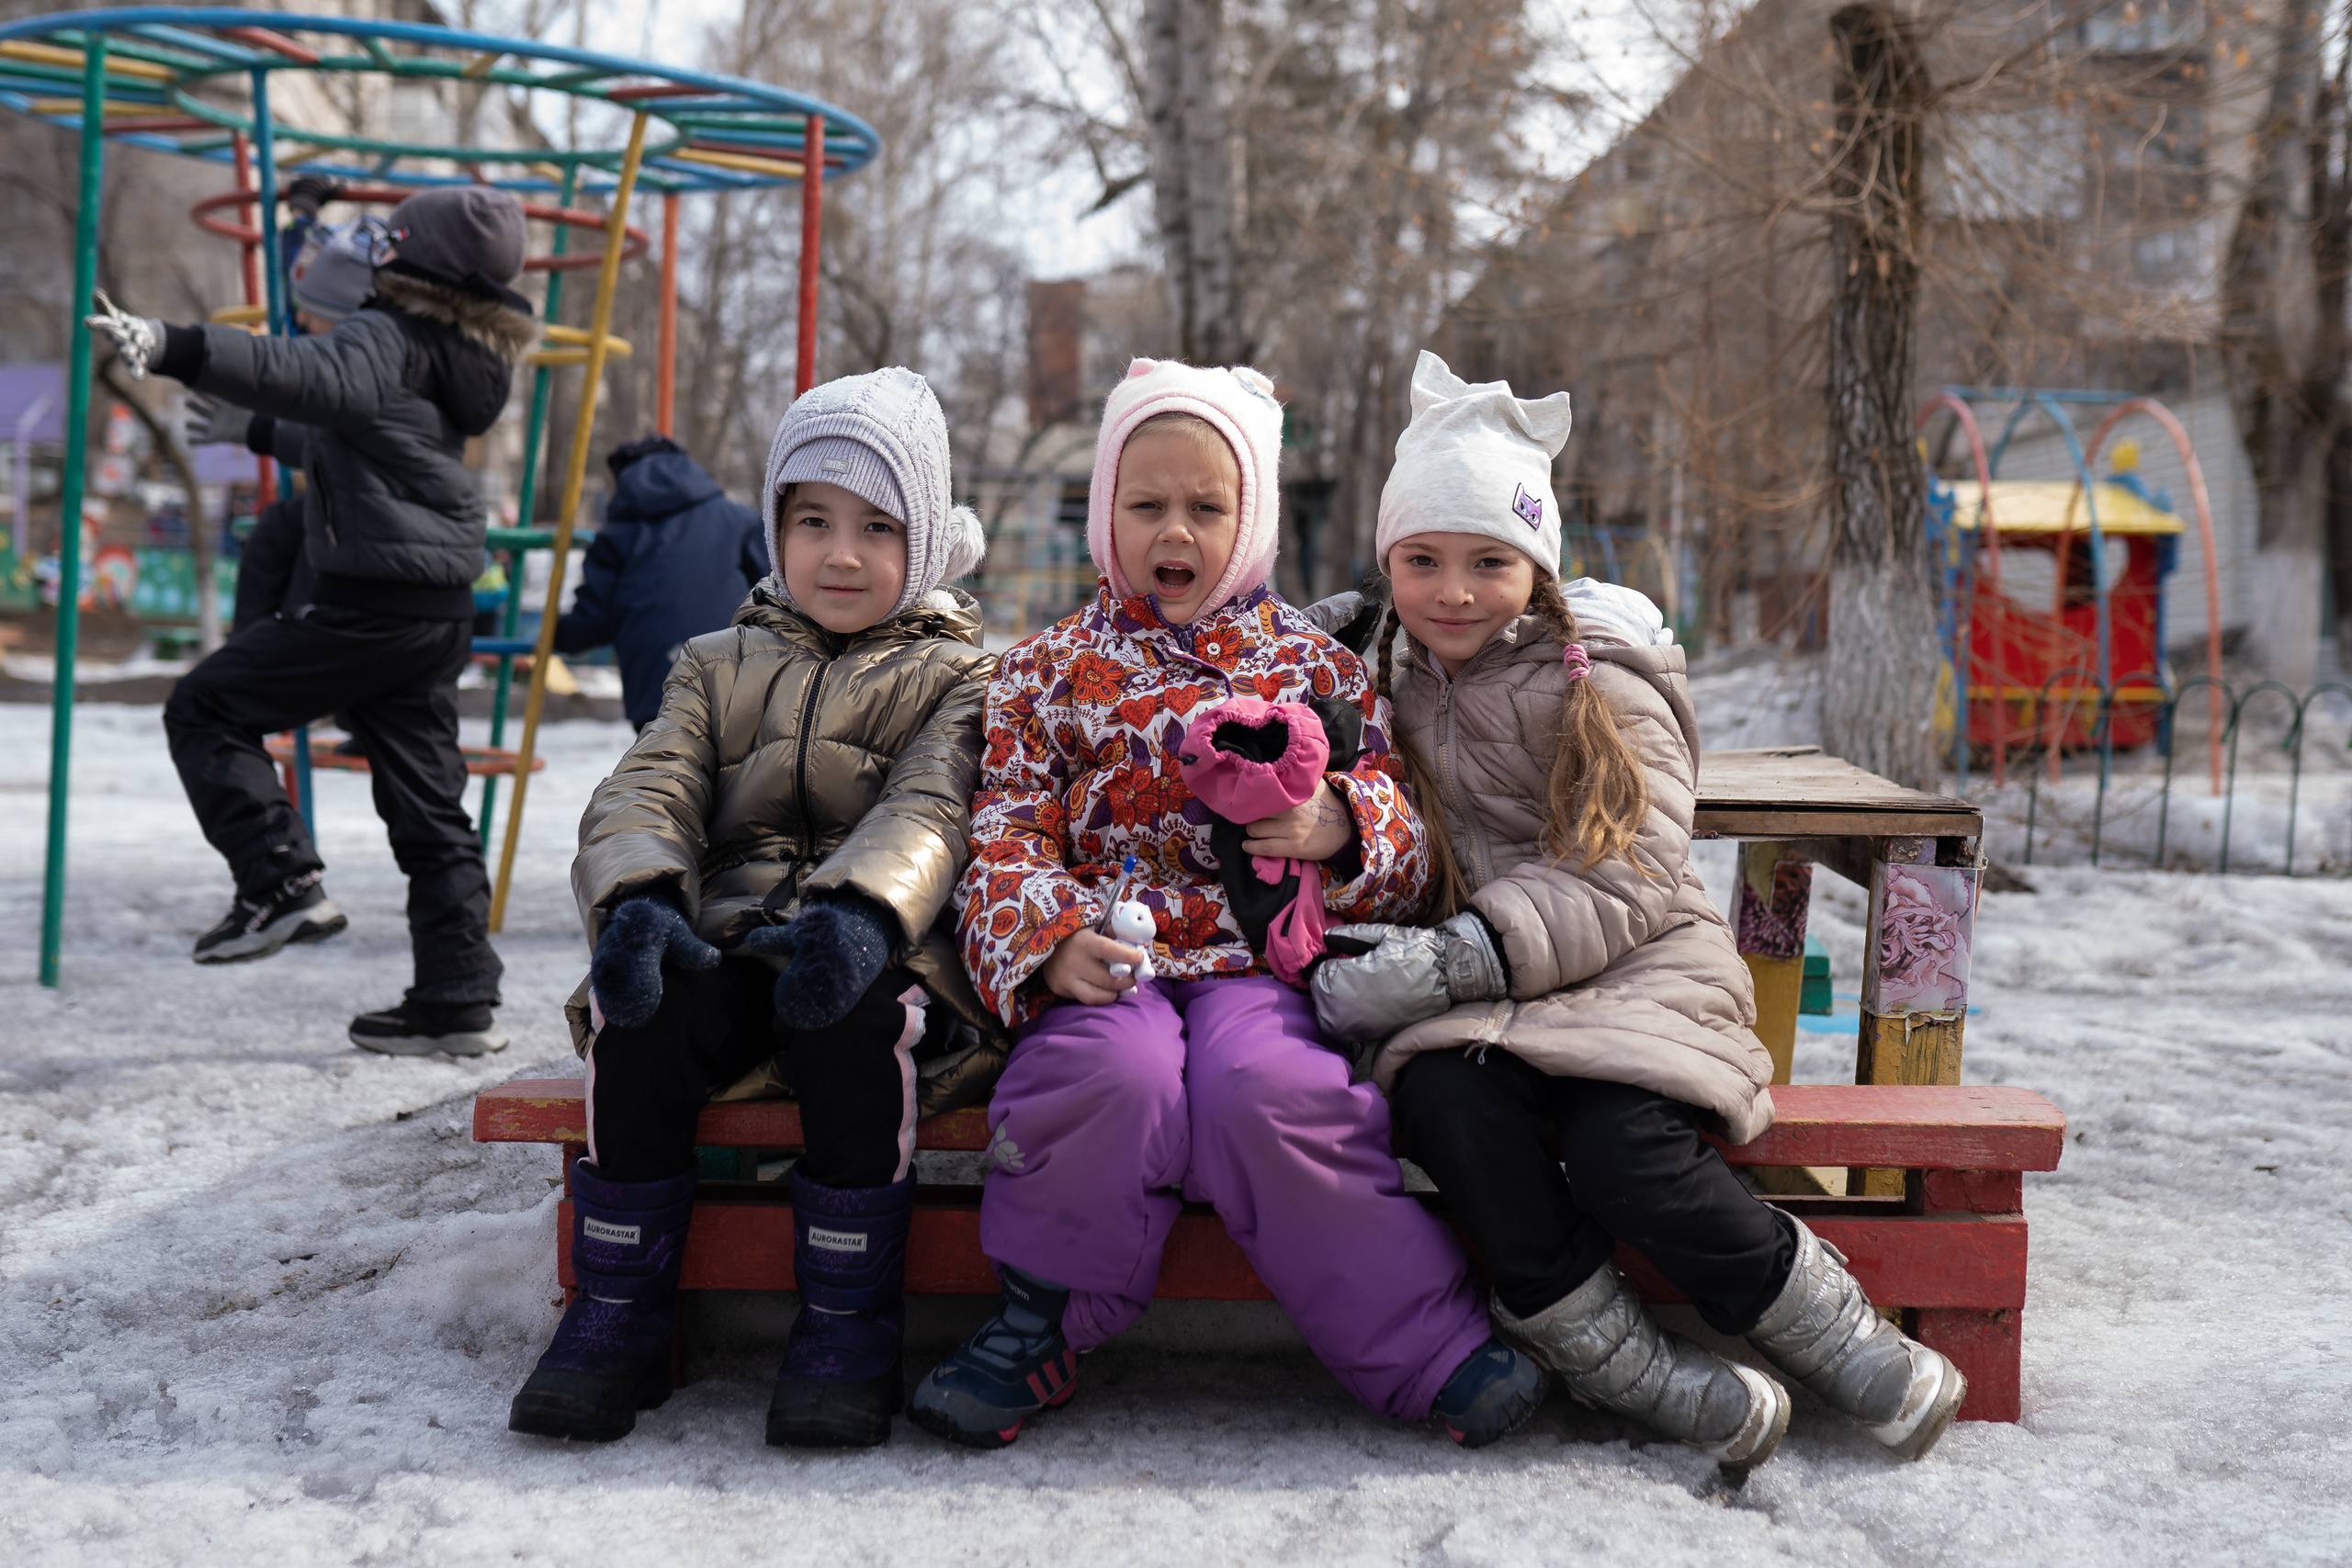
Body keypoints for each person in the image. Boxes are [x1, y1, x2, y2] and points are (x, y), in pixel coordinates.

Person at [1309, 351, 1968, 1472]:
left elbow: (1627, 869)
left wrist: (1458, 959)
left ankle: (1831, 1332)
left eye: (1487, 562)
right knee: (1451, 1115)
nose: (1452, 592)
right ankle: (1624, 1366)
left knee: (1625, 1152)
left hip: (1631, 972)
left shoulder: (1599, 681)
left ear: (1538, 566)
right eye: (1419, 561)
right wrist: (1302, 649)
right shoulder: (1382, 674)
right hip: (1481, 1002)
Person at [908, 358, 1544, 1451]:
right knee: (1108, 1073)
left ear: (1249, 520)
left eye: (1208, 507)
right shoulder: (1047, 669)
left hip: (1262, 962)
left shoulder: (1312, 665)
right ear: (1106, 509)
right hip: (1113, 955)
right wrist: (1049, 936)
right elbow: (1005, 826)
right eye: (1147, 503)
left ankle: (1423, 1344)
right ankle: (1043, 1319)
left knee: (1274, 1093)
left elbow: (1405, 832)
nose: (1178, 531)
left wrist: (1344, 826)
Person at [512, 367, 1001, 1449]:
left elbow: (934, 803)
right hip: (728, 934)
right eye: (812, 520)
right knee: (640, 1015)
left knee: (857, 1026)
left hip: (876, 948)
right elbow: (650, 785)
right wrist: (640, 897)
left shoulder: (960, 677)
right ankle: (619, 1312)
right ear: (773, 523)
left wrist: (865, 911)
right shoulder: (711, 663)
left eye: (877, 528)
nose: (840, 553)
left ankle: (845, 1320)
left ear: (920, 543)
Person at [87, 186, 537, 1056]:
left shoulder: (385, 335)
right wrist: (259, 431)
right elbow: (365, 440)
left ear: (411, 261)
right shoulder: (454, 352)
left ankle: (280, 881)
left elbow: (313, 376)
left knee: (205, 708)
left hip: (369, 603)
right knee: (429, 806)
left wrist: (177, 345)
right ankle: (456, 996)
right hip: (435, 607)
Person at [551, 434, 766, 729]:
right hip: (739, 677)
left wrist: (552, 633)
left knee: (667, 770)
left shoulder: (618, 536)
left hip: (657, 688)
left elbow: (595, 620)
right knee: (739, 770)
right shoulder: (739, 520)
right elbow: (773, 594)